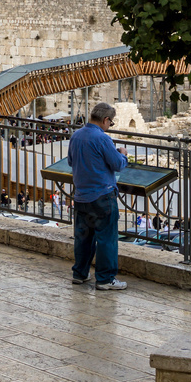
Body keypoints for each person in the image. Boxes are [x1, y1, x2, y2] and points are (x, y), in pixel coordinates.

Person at [67, 101, 128, 292]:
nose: (109, 126)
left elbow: (70, 161)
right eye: (111, 123)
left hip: (81, 195)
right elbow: (118, 164)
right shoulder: (103, 139)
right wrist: (123, 154)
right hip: (102, 195)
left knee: (83, 237)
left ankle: (80, 273)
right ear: (105, 119)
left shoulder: (76, 136)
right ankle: (105, 278)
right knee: (106, 239)